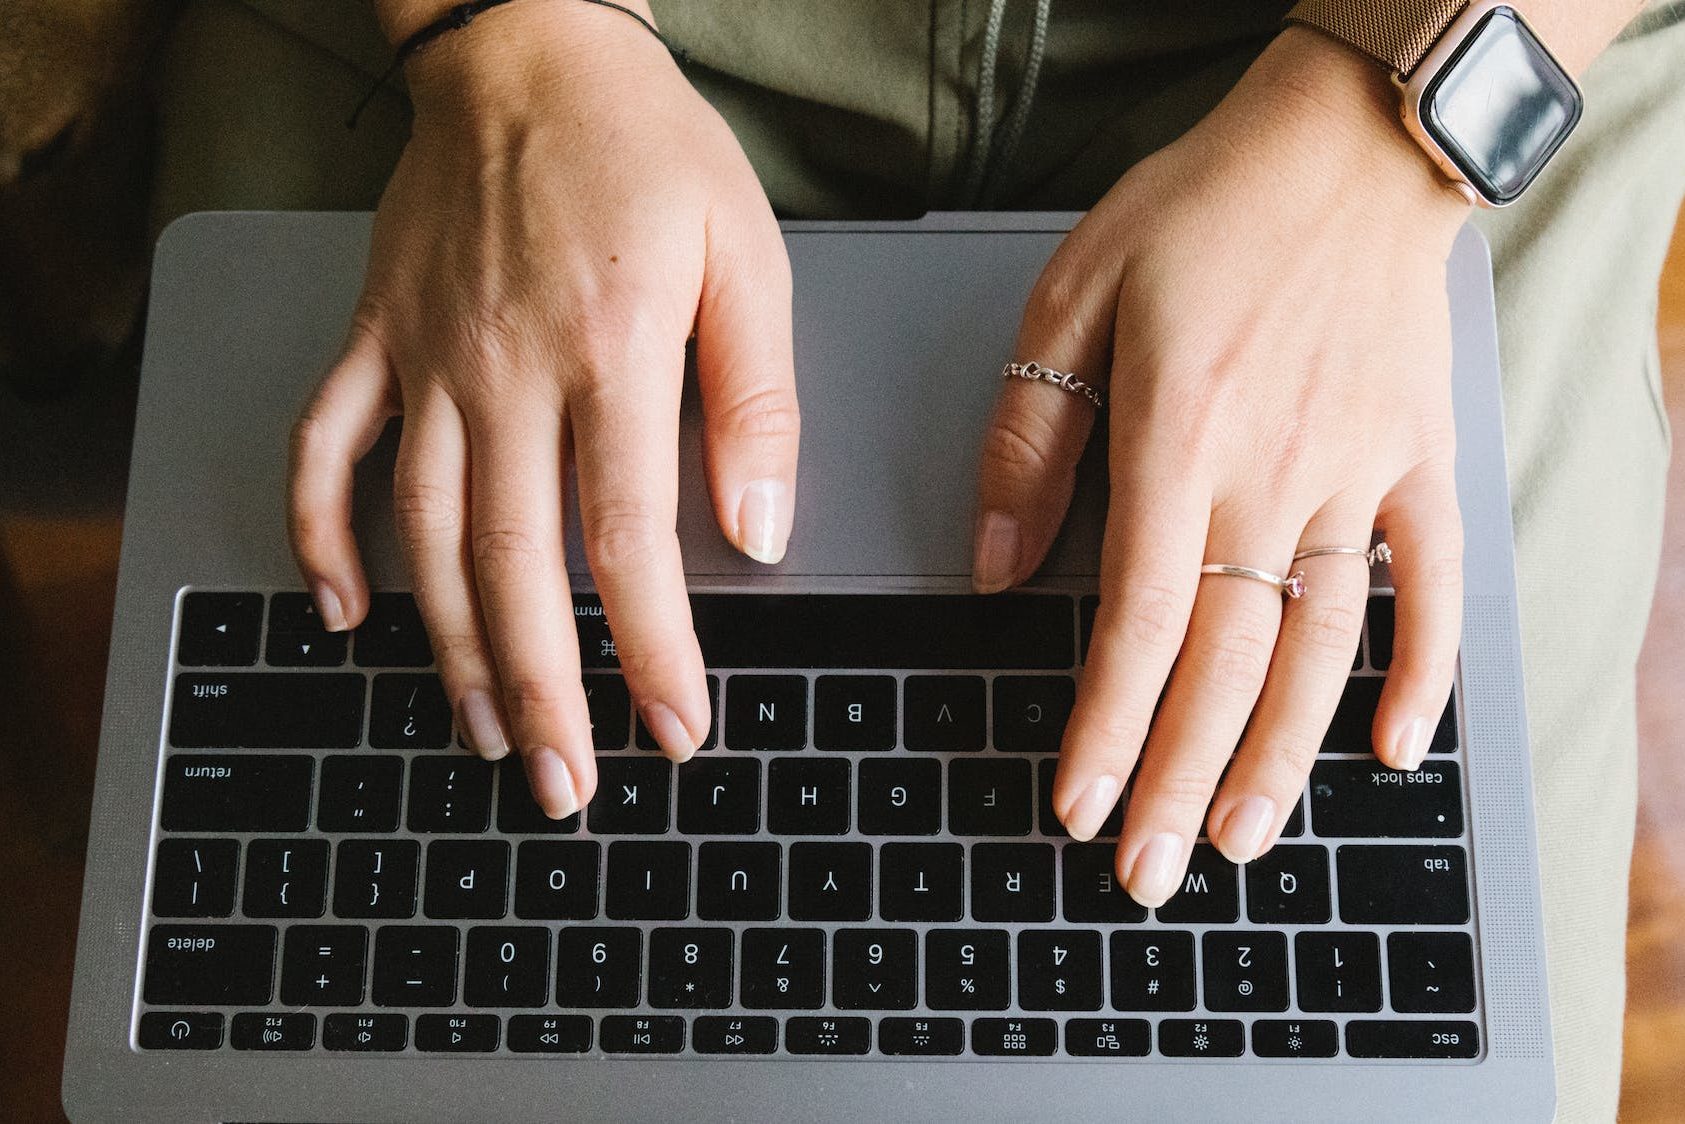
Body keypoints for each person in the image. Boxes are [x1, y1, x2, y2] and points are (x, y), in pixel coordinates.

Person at [146, 0, 1685, 1115]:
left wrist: (1394, 109)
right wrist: (503, 47)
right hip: (537, 54)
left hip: (1410, 76)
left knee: (1433, 1019)